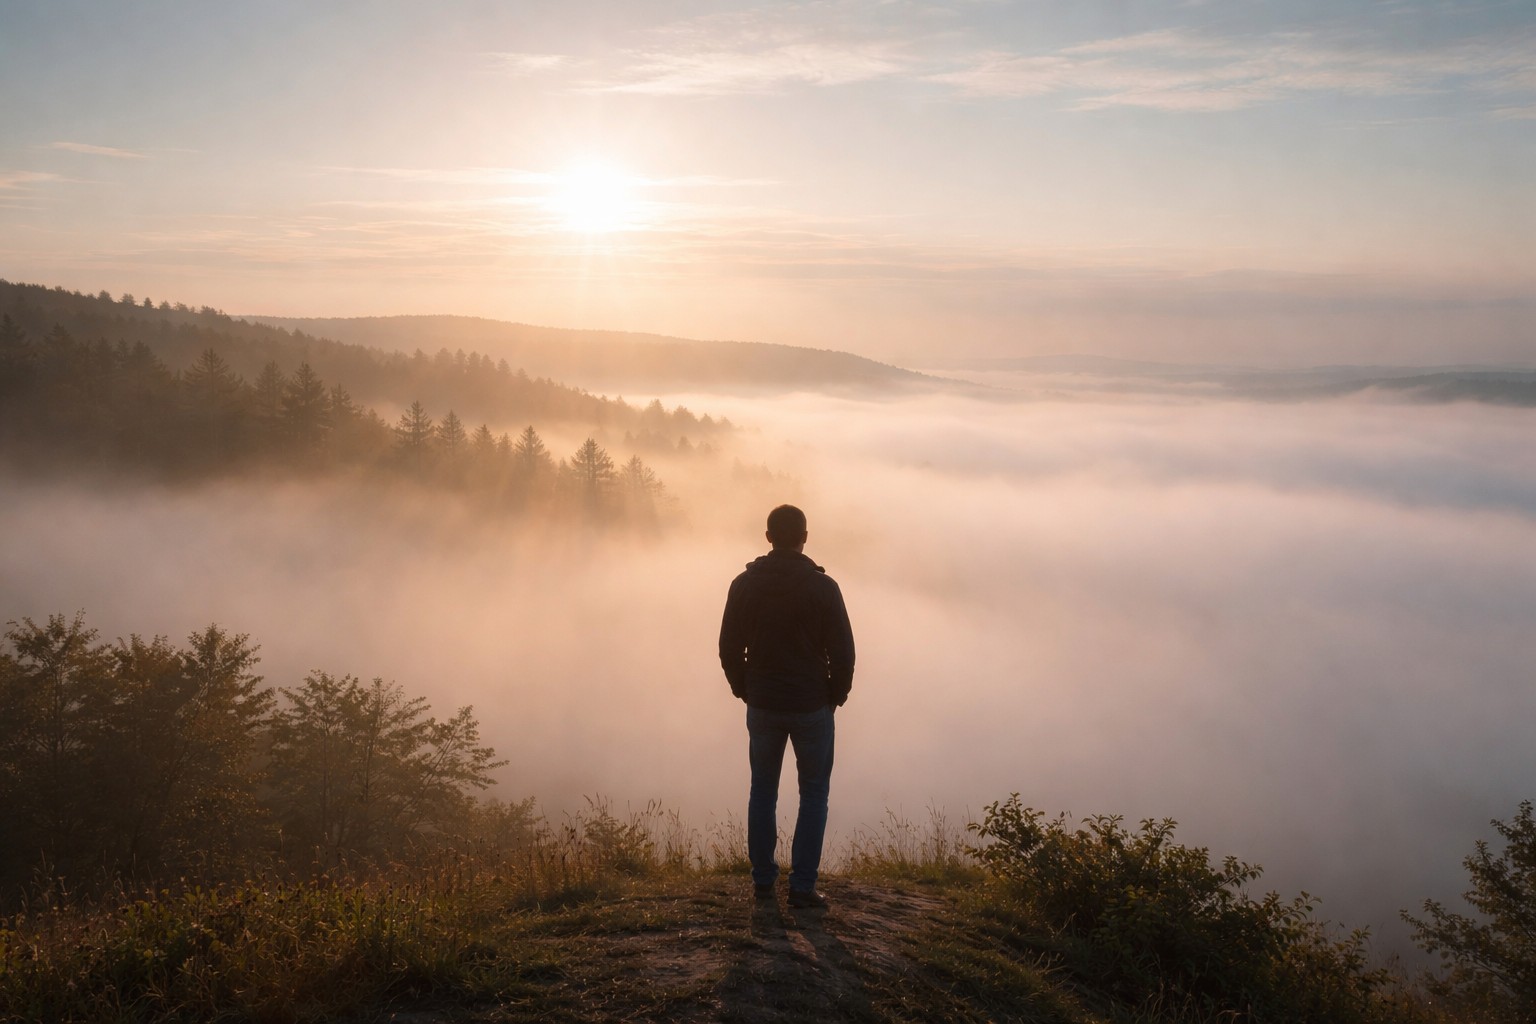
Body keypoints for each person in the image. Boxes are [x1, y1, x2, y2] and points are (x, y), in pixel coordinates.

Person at [719, 504, 855, 909]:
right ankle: (802, 888)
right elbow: (843, 652)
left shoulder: (744, 585)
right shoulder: (822, 588)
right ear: (804, 537)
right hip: (811, 704)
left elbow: (728, 647)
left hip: (763, 703)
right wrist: (835, 694)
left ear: (768, 537)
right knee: (814, 794)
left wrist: (744, 687)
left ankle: (763, 883)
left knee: (762, 790)